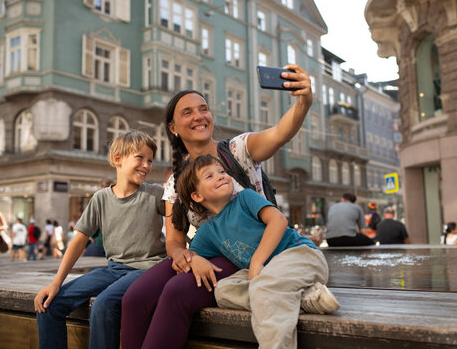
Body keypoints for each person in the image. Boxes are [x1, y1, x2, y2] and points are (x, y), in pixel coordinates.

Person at [121, 64, 314, 349]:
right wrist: (187, 257)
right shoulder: (175, 181)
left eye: (203, 108)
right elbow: (173, 241)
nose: (199, 116)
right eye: (187, 112)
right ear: (173, 128)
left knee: (177, 291)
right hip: (208, 251)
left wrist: (304, 101)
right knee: (133, 298)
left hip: (249, 252)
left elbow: (280, 133)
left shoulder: (238, 150)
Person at [178, 155, 340, 347]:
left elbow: (278, 220)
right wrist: (195, 260)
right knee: (223, 291)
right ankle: (306, 298)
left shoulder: (245, 198)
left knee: (264, 287)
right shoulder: (208, 231)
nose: (221, 176)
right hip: (268, 274)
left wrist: (256, 261)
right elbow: (190, 255)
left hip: (300, 255)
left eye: (222, 172)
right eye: (210, 176)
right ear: (197, 196)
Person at [34, 130, 166, 349]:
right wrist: (56, 282)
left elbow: (182, 218)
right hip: (113, 270)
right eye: (140, 157)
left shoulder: (155, 193)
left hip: (148, 270)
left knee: (104, 305)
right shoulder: (101, 198)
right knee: (49, 304)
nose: (146, 165)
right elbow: (78, 241)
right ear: (118, 159)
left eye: (150, 160)